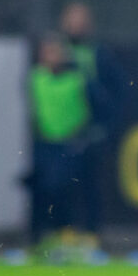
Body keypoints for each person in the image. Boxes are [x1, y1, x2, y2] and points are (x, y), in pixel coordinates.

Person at [56, 1, 126, 247]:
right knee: (60, 185)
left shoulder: (99, 53)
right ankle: (63, 233)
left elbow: (116, 91)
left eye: (80, 20)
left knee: (91, 184)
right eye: (72, 20)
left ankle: (92, 234)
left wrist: (106, 125)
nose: (76, 25)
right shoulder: (56, 51)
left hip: (91, 132)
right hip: (61, 133)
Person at [27, 31, 95, 255]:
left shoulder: (77, 79)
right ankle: (46, 238)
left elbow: (94, 108)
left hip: (71, 143)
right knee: (44, 190)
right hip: (45, 144)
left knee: (69, 189)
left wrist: (85, 135)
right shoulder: (36, 78)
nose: (51, 57)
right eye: (47, 52)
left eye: (55, 52)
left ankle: (72, 236)